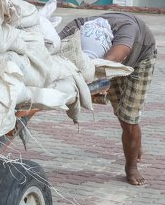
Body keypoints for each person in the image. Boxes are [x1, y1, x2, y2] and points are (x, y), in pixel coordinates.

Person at [59, 12, 157, 186]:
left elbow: (111, 60)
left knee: (129, 117)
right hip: (108, 61)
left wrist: (95, 80)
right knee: (121, 113)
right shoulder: (79, 25)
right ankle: (134, 140)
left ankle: (131, 166)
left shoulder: (126, 33)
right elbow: (55, 48)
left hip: (141, 58)